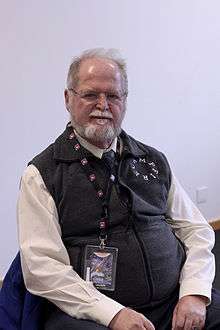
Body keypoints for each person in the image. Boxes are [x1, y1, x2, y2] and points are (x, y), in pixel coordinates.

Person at [16, 48, 220, 330]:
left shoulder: (152, 160)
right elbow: (42, 268)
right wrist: (112, 314)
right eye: (90, 94)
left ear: (124, 101)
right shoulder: (42, 174)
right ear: (68, 98)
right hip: (94, 313)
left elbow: (196, 230)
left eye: (113, 96)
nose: (103, 104)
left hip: (174, 301)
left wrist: (194, 292)